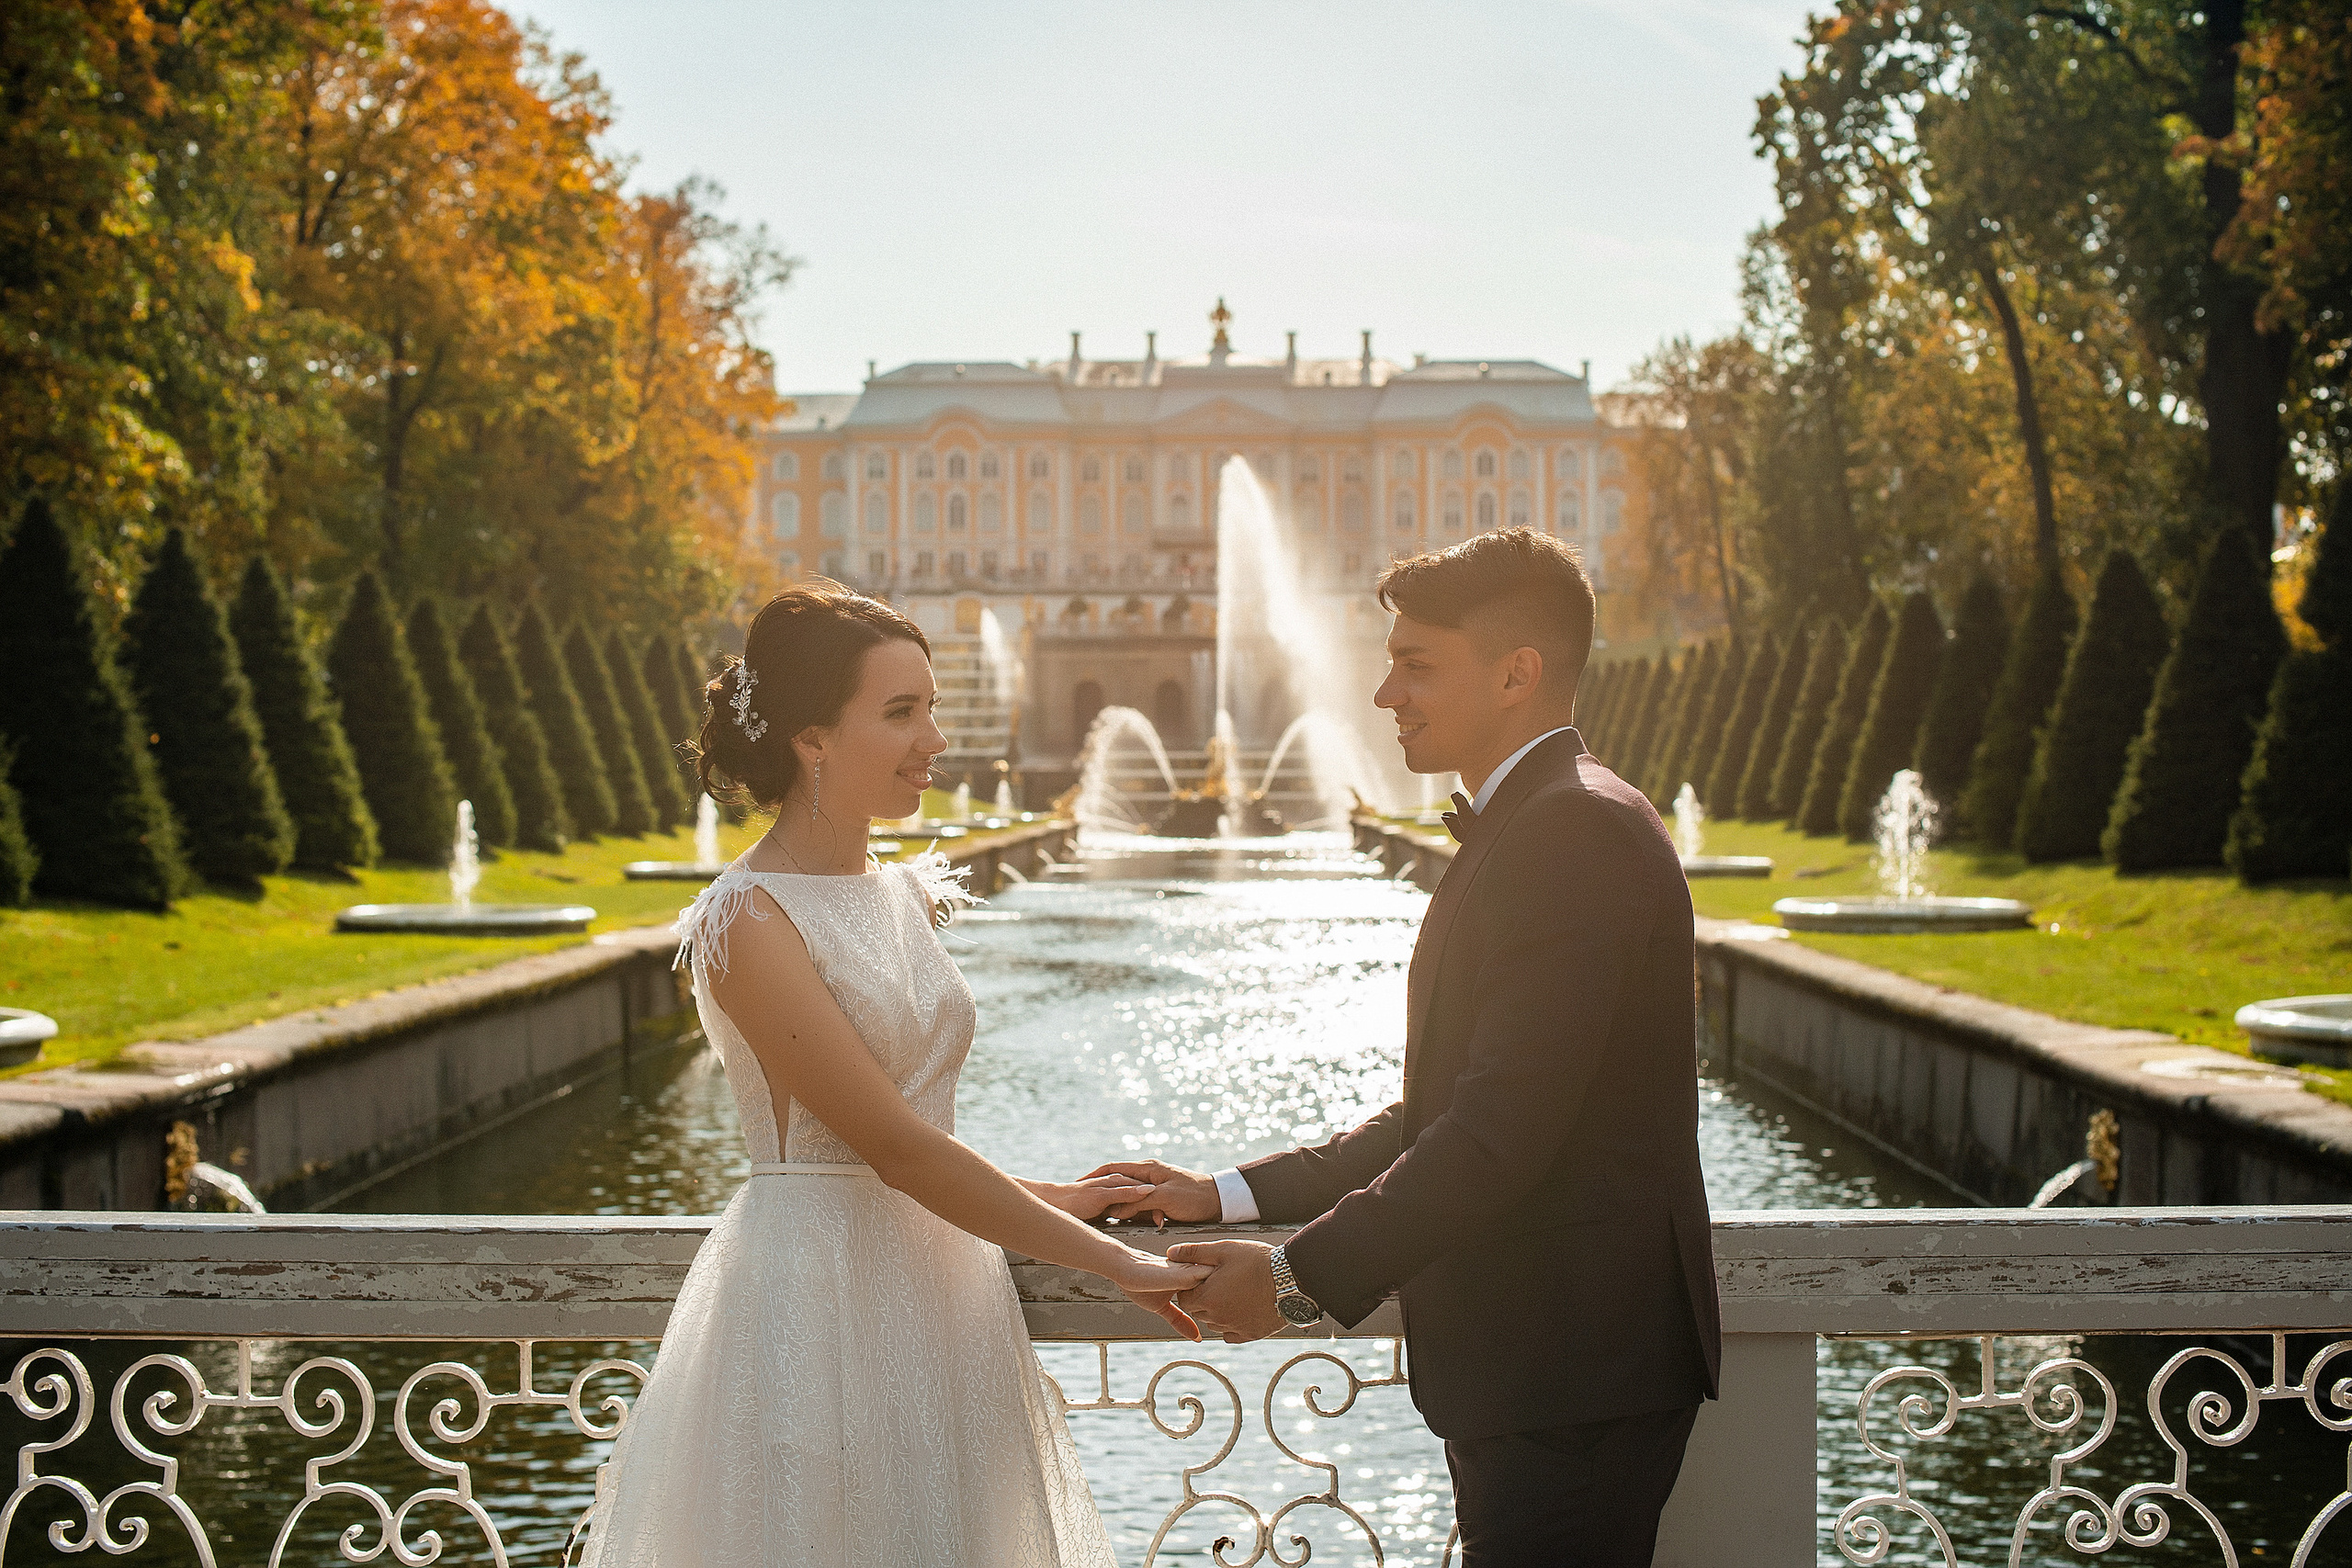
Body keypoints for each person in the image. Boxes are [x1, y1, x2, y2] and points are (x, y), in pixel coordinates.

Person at [1091, 529, 1722, 1566]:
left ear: (1517, 673)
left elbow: (1494, 1133)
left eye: (1415, 664)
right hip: (1547, 1370)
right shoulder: (1539, 819)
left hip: (1571, 1372)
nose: (1385, 693)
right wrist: (1225, 1191)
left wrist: (1295, 1280)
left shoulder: (1573, 831)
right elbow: (1442, 1108)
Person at [582, 584, 1206, 1568]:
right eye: (901, 712)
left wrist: (1062, 1200)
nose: (935, 737)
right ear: (811, 739)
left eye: (931, 707)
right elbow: (891, 1149)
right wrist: (1119, 1264)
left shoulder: (901, 893)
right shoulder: (746, 918)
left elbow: (912, 1130)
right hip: (815, 1304)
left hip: (945, 1296)